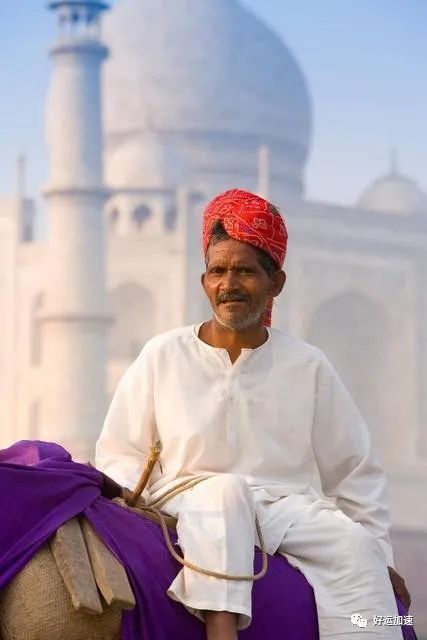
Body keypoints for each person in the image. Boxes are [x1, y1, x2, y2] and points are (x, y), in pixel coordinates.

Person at [96, 188, 410, 640]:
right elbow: (118, 450)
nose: (228, 285)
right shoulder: (164, 355)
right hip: (191, 498)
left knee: (356, 549)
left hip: (285, 509)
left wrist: (382, 559)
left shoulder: (307, 365)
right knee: (225, 493)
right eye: (217, 271)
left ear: (275, 283)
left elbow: (355, 473)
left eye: (245, 271)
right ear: (203, 280)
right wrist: (136, 508)